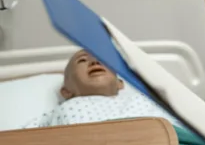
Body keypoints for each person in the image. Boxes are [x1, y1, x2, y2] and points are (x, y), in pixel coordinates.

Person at [22, 49, 181, 128]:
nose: (94, 62)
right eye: (82, 60)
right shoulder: (60, 111)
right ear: (66, 91)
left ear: (120, 84)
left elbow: (184, 131)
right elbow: (17, 144)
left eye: (102, 60)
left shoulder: (145, 100)